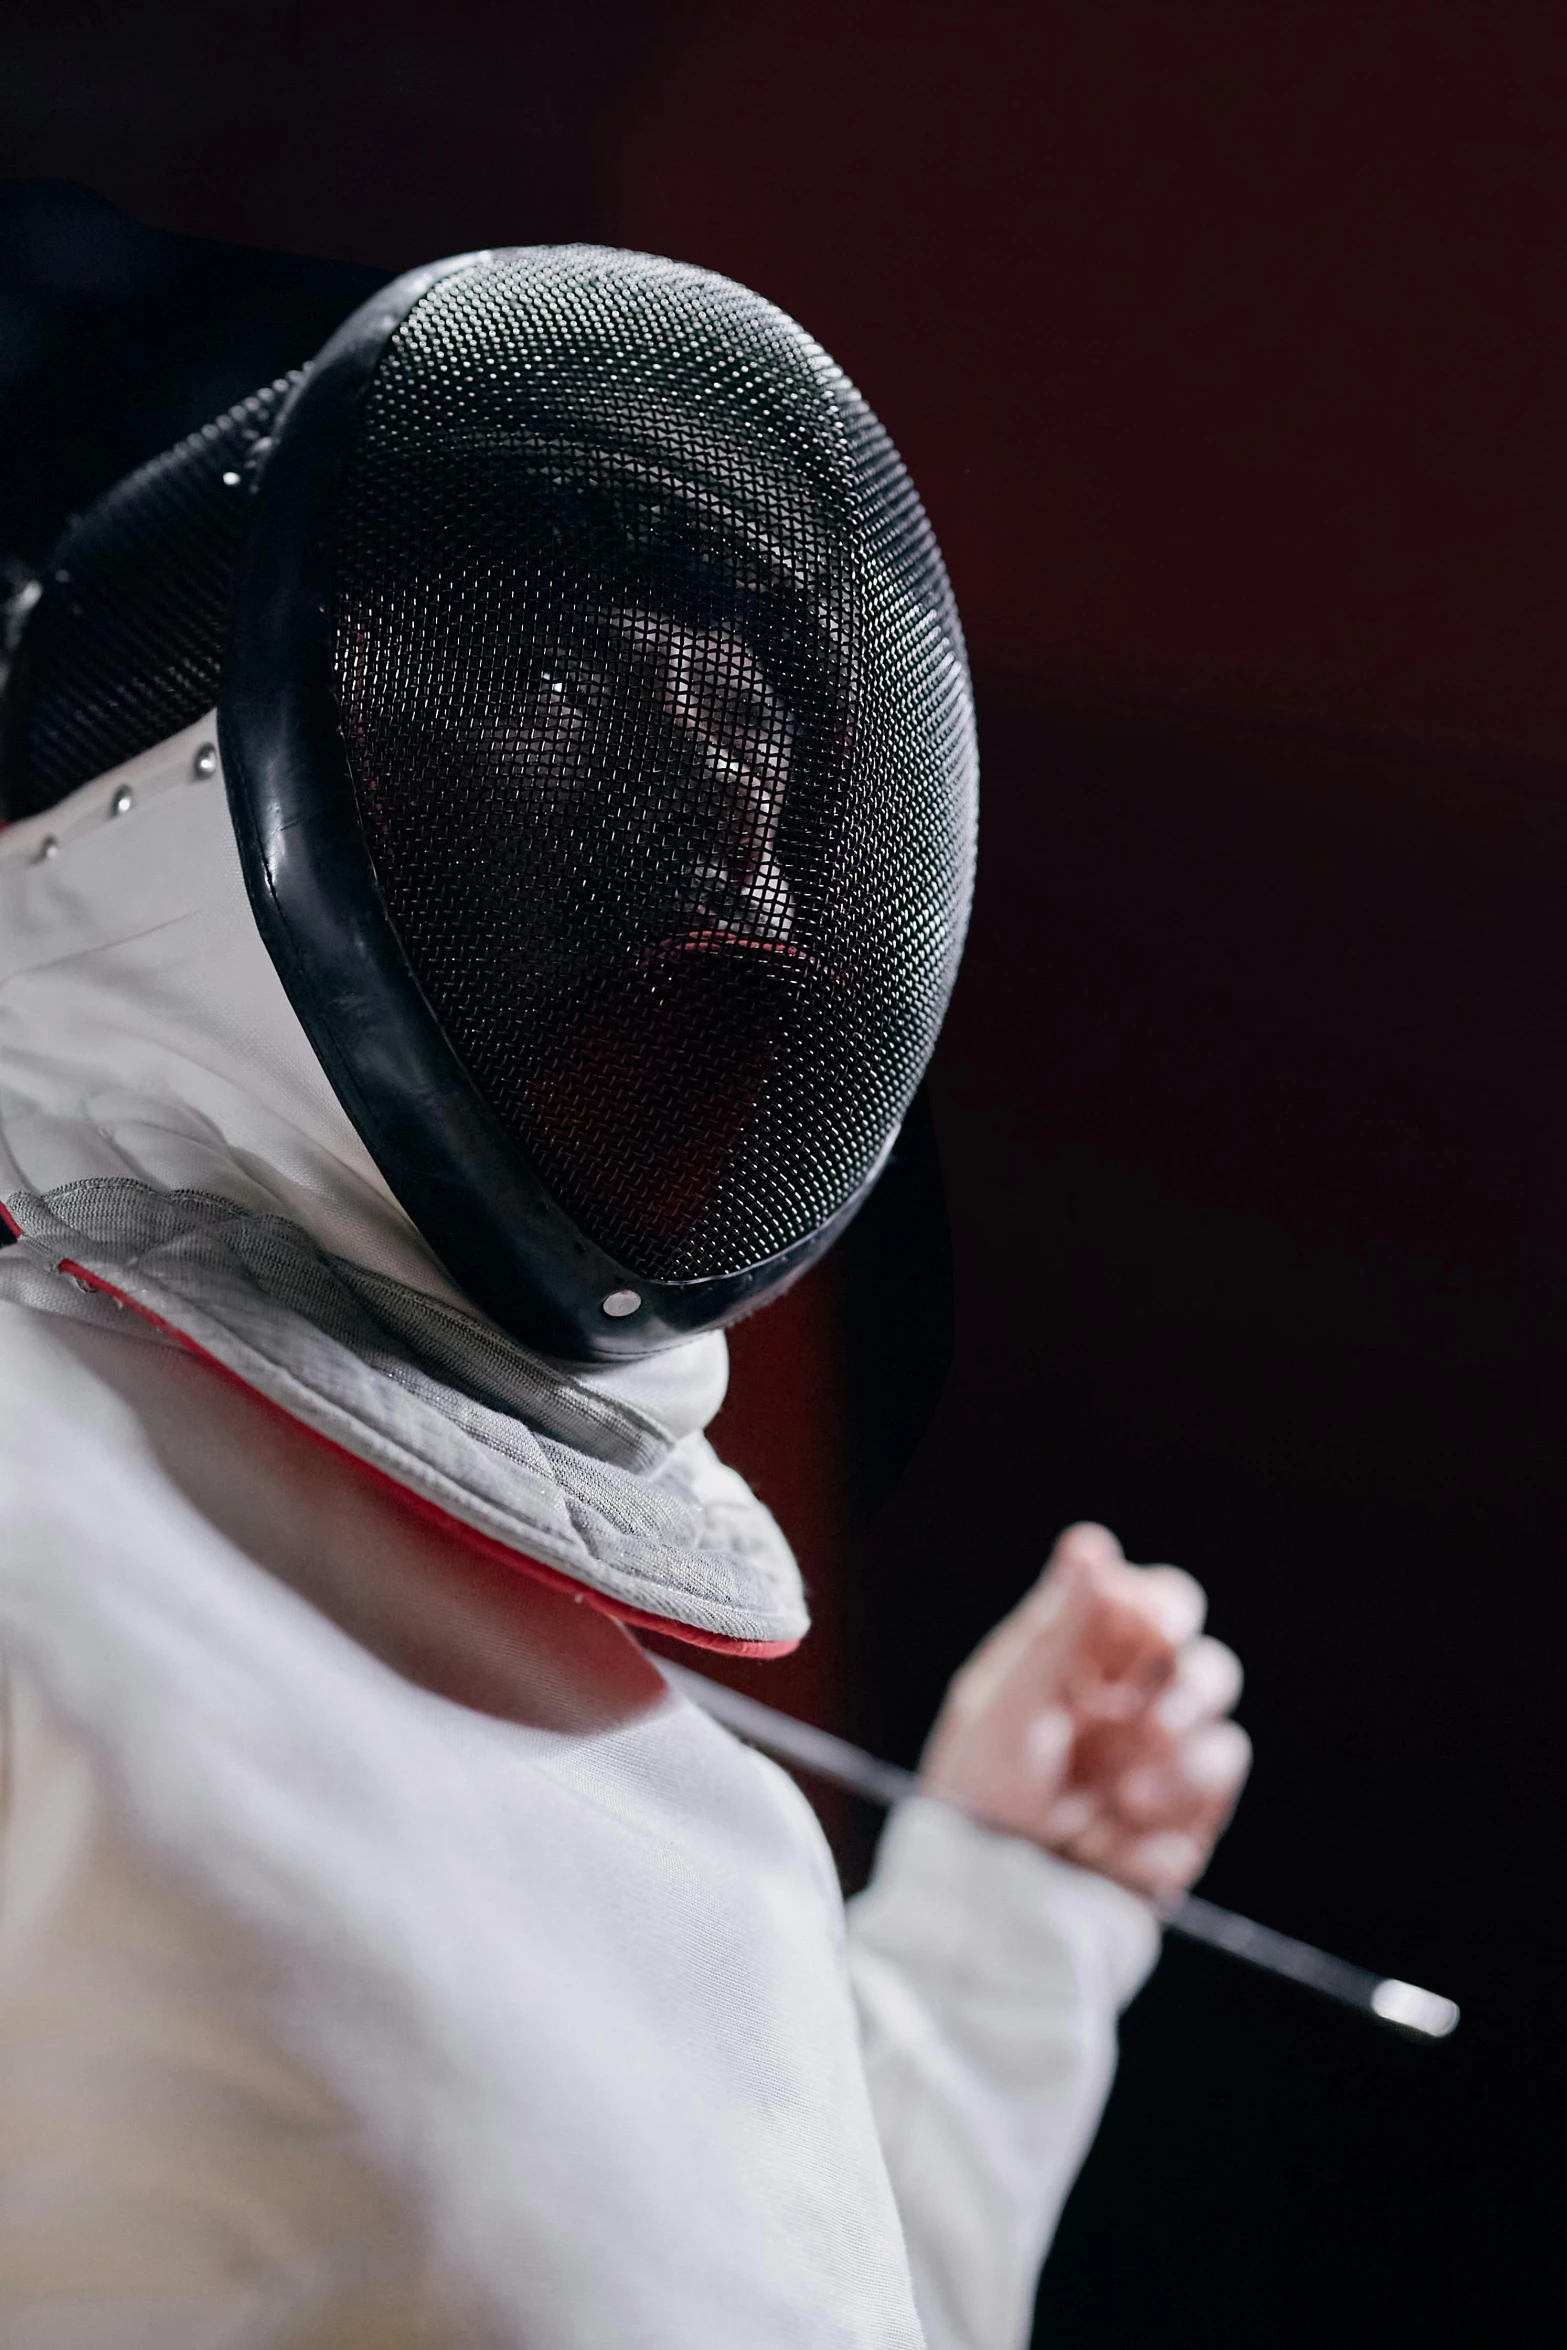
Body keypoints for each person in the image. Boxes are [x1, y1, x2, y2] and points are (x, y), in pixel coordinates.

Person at [0, 246, 1249, 2349]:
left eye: (760, 750)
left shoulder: (716, 1828)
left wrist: (1001, 1930)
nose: (733, 837)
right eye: (580, 698)